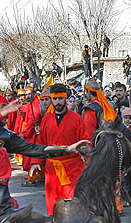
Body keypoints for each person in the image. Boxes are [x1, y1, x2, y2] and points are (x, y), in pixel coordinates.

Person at [29, 84, 89, 215]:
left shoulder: (77, 119)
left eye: (61, 98)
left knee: (74, 203)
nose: (58, 102)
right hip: (52, 171)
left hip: (73, 169)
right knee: (53, 205)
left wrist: (83, 149)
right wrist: (35, 162)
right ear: (51, 99)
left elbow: (85, 141)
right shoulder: (46, 120)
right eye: (55, 99)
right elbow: (40, 143)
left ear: (66, 98)